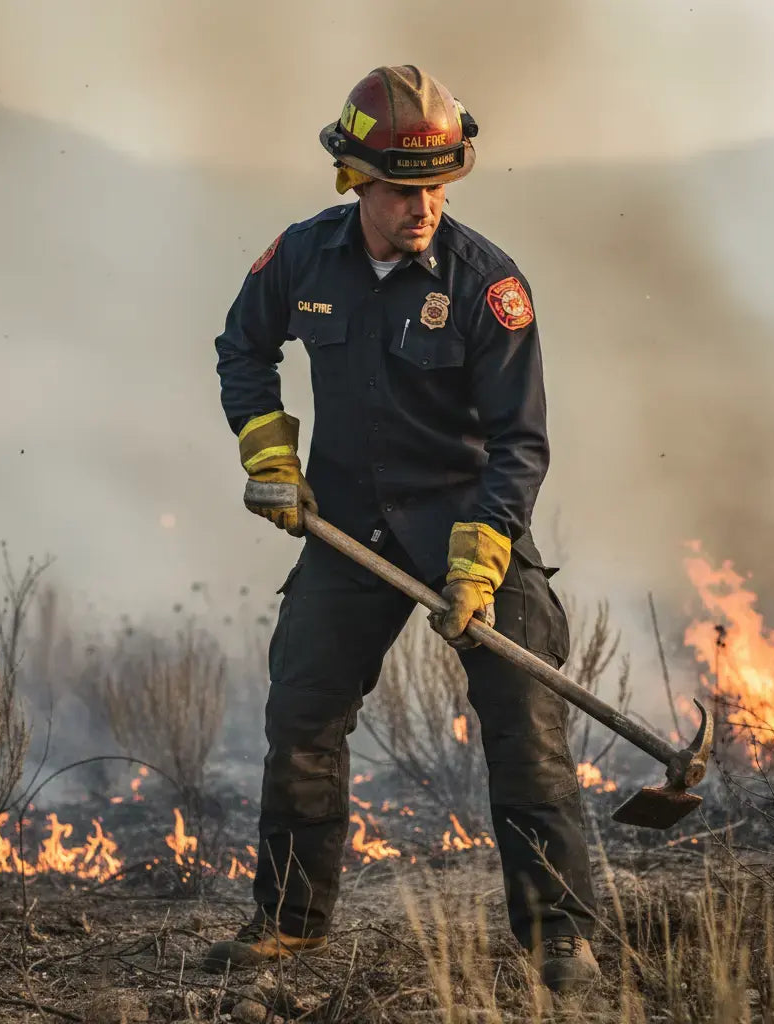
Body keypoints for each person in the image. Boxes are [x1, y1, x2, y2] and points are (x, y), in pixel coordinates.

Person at [204, 65, 600, 994]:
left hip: (470, 526)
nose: (424, 206)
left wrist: (480, 560)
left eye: (438, 187)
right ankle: (290, 923)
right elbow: (242, 348)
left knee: (524, 724)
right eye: (402, 189)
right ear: (354, 180)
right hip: (346, 523)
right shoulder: (301, 258)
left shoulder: (489, 285)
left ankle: (559, 941)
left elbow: (520, 441)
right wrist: (272, 461)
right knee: (302, 712)